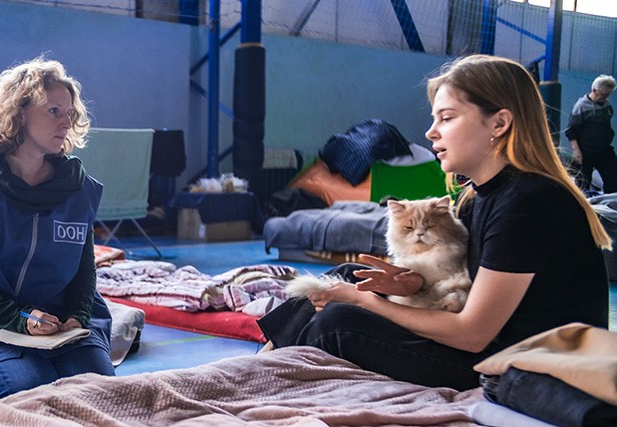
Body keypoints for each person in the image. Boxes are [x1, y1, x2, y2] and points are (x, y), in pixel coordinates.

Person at [258, 54, 611, 391]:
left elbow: (473, 333)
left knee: (339, 321)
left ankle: (264, 376)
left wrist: (366, 303)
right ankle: (264, 359)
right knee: (352, 277)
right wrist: (409, 284)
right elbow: (464, 283)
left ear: (499, 124)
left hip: (519, 367)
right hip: (490, 345)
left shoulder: (528, 200)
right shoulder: (478, 196)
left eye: (446, 118)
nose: (430, 132)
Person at [0, 57, 114, 400]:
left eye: (69, 113)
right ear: (20, 113)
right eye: (54, 111)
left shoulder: (79, 189)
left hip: (63, 325)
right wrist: (21, 318)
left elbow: (84, 271)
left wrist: (78, 317)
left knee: (101, 394)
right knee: (32, 394)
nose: (66, 122)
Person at [565, 74, 617, 193]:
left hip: (604, 149)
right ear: (594, 90)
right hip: (585, 151)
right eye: (603, 94)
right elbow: (571, 131)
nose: (605, 97)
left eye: (608, 95)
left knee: (613, 179)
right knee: (582, 184)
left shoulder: (606, 104)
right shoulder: (581, 107)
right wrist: (576, 151)